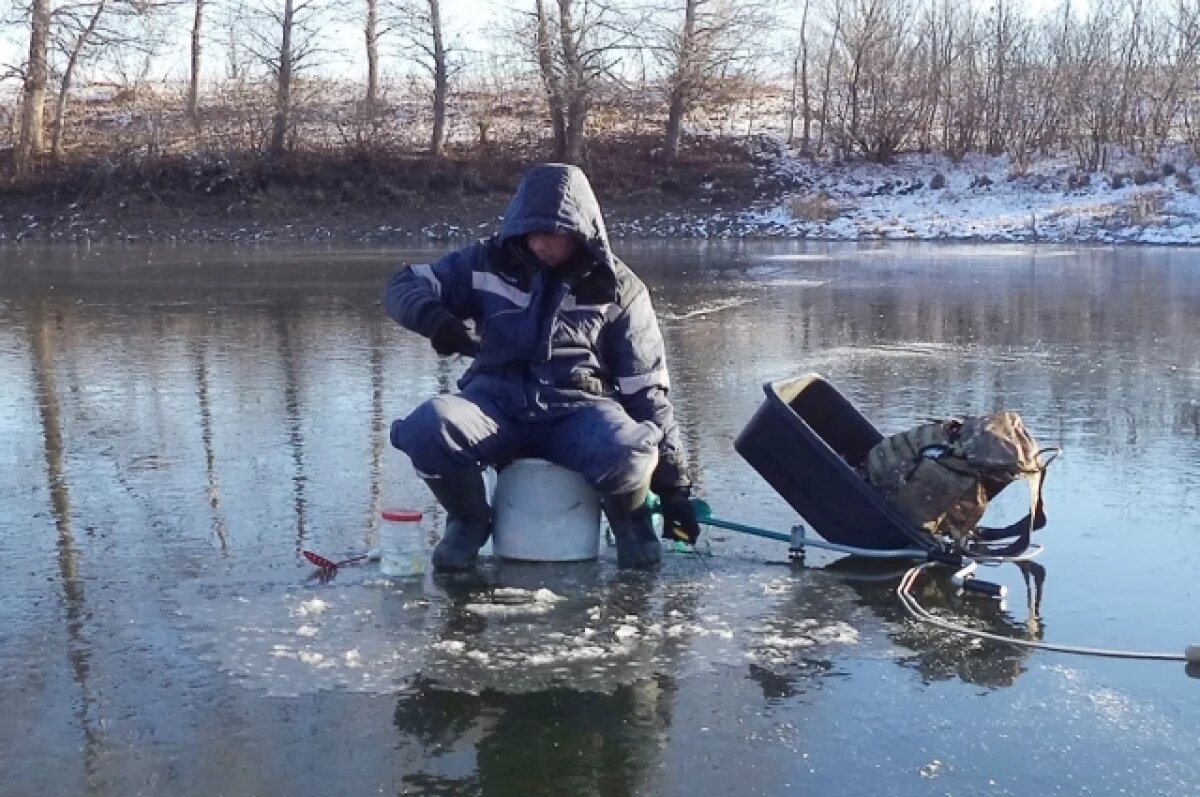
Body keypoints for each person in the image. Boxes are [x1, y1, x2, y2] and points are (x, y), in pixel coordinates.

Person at [384, 162, 700, 571]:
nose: (543, 244)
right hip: (493, 404)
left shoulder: (620, 288)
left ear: (582, 232)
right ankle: (468, 520)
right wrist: (434, 319)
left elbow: (647, 390)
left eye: (556, 235)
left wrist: (674, 490)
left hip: (579, 409)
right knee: (428, 426)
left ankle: (630, 522)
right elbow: (403, 285)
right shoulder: (483, 262)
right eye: (534, 232)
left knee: (632, 448)